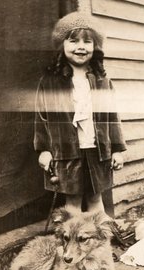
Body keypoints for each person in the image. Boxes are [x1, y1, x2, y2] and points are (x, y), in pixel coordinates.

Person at [34, 11, 126, 214]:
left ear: (95, 47)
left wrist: (117, 149)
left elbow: (112, 118)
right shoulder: (50, 83)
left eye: (88, 42)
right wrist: (44, 150)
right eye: (74, 41)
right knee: (73, 202)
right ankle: (73, 245)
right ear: (62, 45)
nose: (81, 47)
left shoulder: (102, 82)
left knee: (95, 199)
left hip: (97, 150)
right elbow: (42, 119)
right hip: (65, 153)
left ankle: (101, 243)